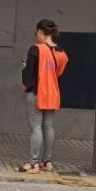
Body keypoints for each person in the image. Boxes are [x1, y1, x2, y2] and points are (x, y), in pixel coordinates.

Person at [19, 19, 69, 174]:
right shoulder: (61, 53)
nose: (36, 36)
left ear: (41, 32)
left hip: (37, 93)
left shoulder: (36, 49)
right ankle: (47, 161)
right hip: (52, 93)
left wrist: (25, 68)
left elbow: (27, 78)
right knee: (48, 126)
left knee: (35, 127)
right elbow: (58, 75)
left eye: (37, 33)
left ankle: (33, 162)